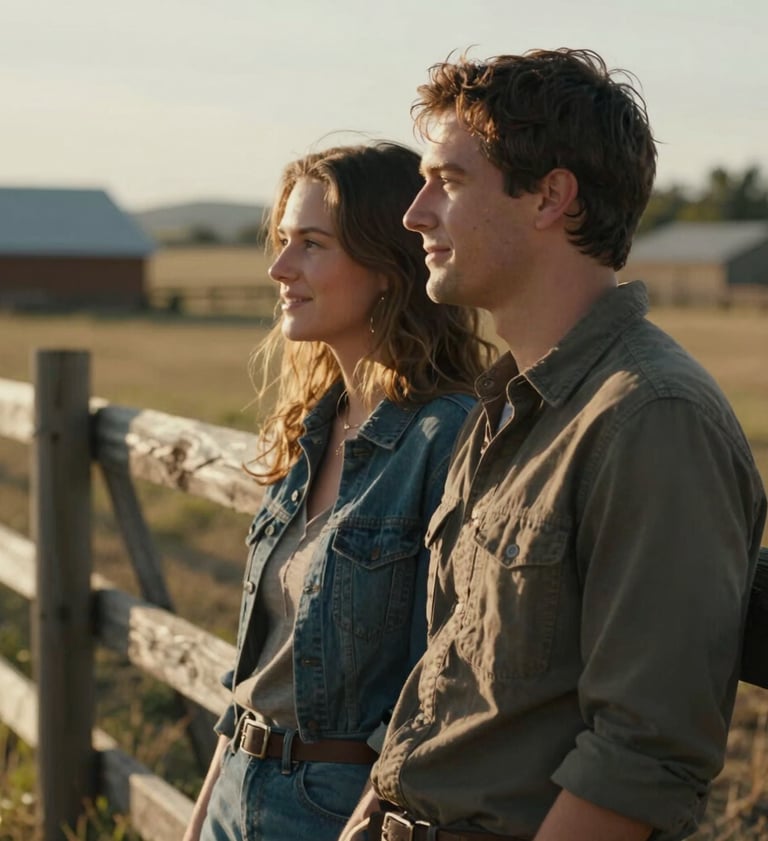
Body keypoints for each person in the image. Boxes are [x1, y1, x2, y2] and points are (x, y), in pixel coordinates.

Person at [341, 49, 767, 841]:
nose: (416, 212)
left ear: (551, 197)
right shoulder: (506, 406)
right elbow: (450, 685)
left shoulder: (651, 418)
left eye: (450, 181)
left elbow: (644, 758)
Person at [182, 141, 495, 841]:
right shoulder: (312, 426)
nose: (280, 268)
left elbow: (437, 684)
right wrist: (203, 812)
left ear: (387, 266)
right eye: (284, 241)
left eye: (312, 245)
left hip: (332, 810)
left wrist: (364, 821)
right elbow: (260, 669)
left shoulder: (445, 439)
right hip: (236, 786)